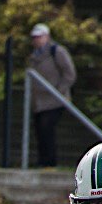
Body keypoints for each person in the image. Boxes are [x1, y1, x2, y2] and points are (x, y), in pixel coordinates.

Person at [28, 23, 77, 169]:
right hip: (39, 102)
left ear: (47, 37)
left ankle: (49, 161)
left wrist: (59, 91)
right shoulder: (33, 56)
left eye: (39, 37)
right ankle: (42, 161)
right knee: (40, 131)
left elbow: (70, 74)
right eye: (34, 37)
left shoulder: (57, 51)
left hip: (55, 100)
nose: (36, 40)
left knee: (47, 128)